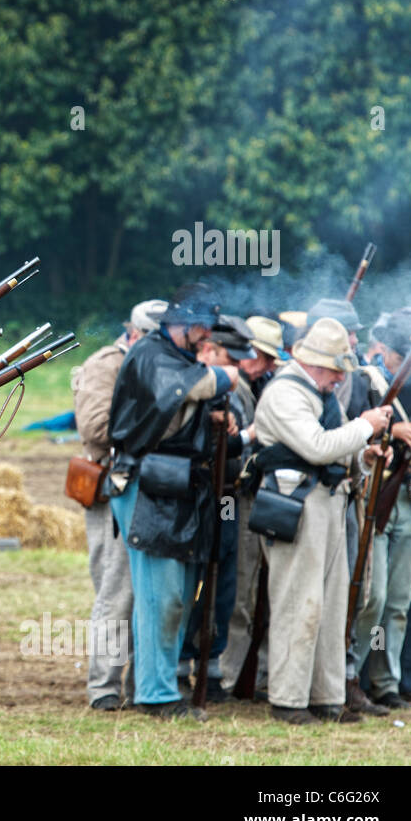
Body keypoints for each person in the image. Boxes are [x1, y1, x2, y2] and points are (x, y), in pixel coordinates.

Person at [106, 283, 236, 721]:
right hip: (146, 486)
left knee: (176, 596)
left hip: (172, 487)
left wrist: (213, 419)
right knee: (161, 599)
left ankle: (155, 685)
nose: (206, 335)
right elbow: (183, 390)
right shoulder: (150, 354)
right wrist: (223, 378)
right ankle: (156, 694)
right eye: (201, 326)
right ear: (182, 324)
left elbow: (181, 408)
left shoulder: (174, 356)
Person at [252, 317, 391, 724]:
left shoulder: (318, 391)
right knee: (300, 602)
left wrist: (364, 456)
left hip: (328, 502)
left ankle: (327, 697)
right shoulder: (285, 394)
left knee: (330, 607)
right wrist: (366, 426)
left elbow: (337, 445)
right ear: (316, 364)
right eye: (335, 370)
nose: (338, 379)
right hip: (296, 504)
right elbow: (315, 447)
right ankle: (289, 700)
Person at [70, 299, 164, 711]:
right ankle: (105, 686)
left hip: (151, 485)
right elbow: (94, 428)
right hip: (113, 486)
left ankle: (142, 683)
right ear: (136, 334)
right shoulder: (107, 364)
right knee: (116, 589)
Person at [351, 307, 411, 710]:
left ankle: (386, 682)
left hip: (408, 493)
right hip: (374, 498)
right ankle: (351, 676)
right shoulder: (365, 381)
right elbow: (349, 428)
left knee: (398, 601)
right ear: (392, 354)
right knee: (373, 597)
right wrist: (392, 429)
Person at [177, 315, 258, 701]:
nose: (239, 364)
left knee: (223, 577)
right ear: (210, 350)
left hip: (226, 496)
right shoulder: (194, 378)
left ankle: (209, 665)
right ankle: (178, 665)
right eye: (231, 355)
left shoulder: (235, 385)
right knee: (190, 579)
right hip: (196, 492)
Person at [219, 315, 287, 695]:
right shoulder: (235, 389)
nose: (271, 366)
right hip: (241, 498)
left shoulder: (263, 385)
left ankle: (252, 674)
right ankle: (229, 675)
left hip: (262, 495)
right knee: (241, 591)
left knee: (259, 589)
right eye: (265, 357)